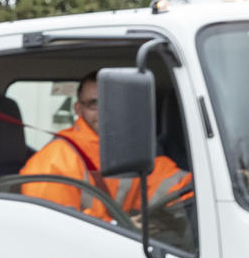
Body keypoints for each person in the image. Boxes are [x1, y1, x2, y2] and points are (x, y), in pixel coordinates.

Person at [19, 72, 195, 235]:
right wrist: (116, 227)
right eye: (94, 104)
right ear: (78, 110)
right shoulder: (54, 160)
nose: (104, 111)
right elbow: (52, 229)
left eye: (112, 102)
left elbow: (178, 188)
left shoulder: (132, 149)